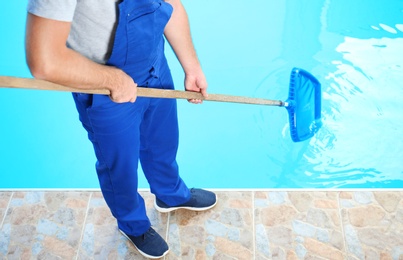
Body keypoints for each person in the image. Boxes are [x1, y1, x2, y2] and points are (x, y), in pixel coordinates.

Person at [25, 0, 217, 258]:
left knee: (163, 141)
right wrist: (110, 79)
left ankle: (170, 194)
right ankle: (133, 224)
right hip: (103, 88)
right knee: (120, 169)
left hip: (154, 65)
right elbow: (44, 61)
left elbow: (171, 5)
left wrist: (191, 66)